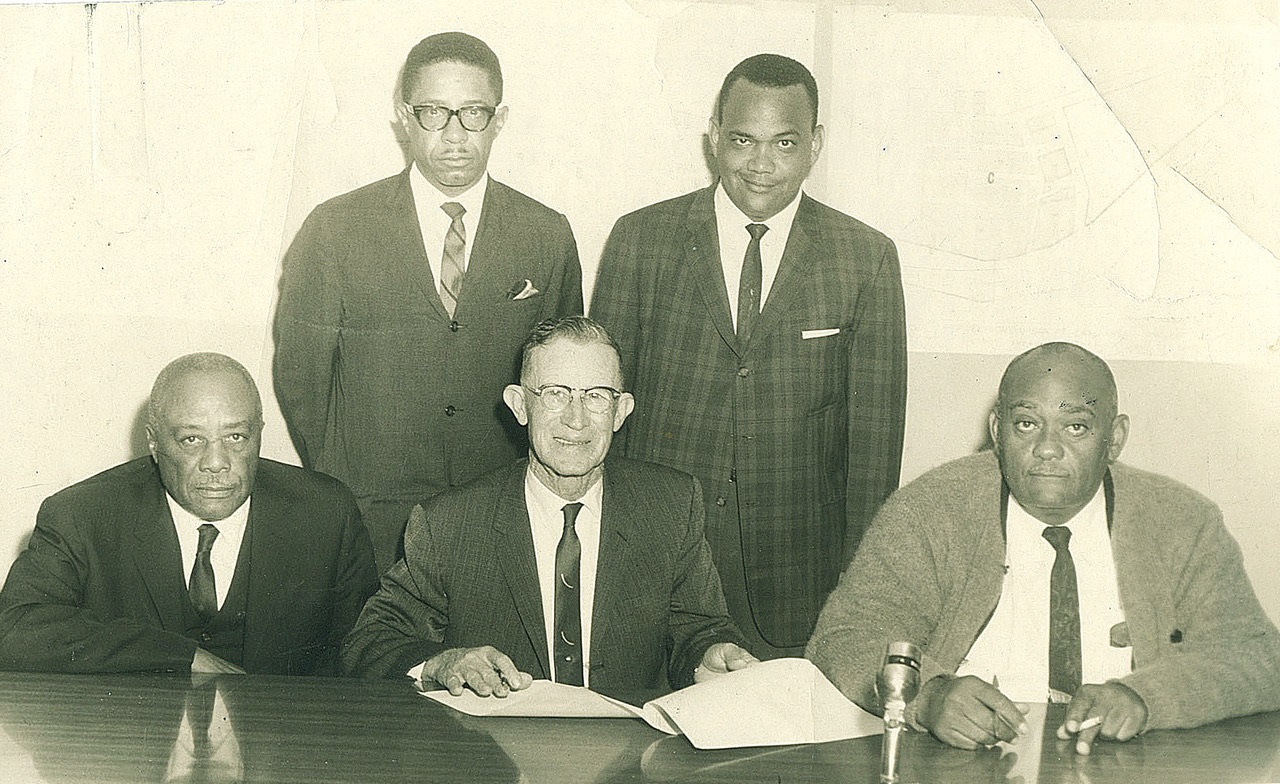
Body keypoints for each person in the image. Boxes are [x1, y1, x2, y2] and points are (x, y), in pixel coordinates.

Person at [807, 342, 1280, 754]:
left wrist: (1145, 698)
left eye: (1075, 427)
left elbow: (1257, 658)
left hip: (1133, 763)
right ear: (997, 432)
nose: (1047, 448)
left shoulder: (1182, 521)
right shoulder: (929, 509)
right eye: (1027, 423)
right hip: (960, 764)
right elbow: (844, 636)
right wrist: (928, 696)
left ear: (1114, 438)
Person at [589, 53, 907, 657]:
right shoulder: (641, 240)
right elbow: (601, 407)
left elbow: (873, 453)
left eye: (784, 143)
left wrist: (859, 593)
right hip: (657, 564)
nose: (761, 165)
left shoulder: (865, 258)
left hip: (796, 579)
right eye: (742, 140)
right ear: (714, 139)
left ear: (815, 144)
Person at [274, 32, 582, 571]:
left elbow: (561, 379)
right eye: (435, 113)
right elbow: (303, 379)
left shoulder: (546, 235)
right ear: (403, 117)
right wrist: (343, 484)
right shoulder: (334, 229)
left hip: (501, 515)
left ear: (500, 119)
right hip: (369, 517)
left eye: (474, 114)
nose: (455, 136)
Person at [342, 317, 756, 699]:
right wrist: (442, 662)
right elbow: (370, 641)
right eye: (556, 394)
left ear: (621, 411)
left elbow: (699, 629)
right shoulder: (449, 522)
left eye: (596, 396)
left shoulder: (670, 504)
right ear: (520, 405)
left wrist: (710, 654)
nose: (576, 419)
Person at [0, 353, 378, 675]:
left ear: (259, 433)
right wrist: (181, 656)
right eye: (192, 439)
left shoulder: (325, 513)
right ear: (153, 441)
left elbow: (366, 647)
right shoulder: (83, 515)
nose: (216, 463)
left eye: (236, 437)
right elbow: (15, 630)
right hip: (134, 749)